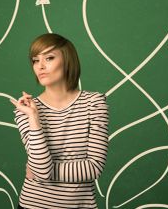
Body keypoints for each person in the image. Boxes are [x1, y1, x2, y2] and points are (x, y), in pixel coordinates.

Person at [9, 33, 109, 208]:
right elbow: (42, 169)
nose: (40, 66)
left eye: (49, 58)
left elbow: (94, 167)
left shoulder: (94, 103)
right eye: (35, 60)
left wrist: (43, 172)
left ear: (67, 60)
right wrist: (34, 118)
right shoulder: (26, 110)